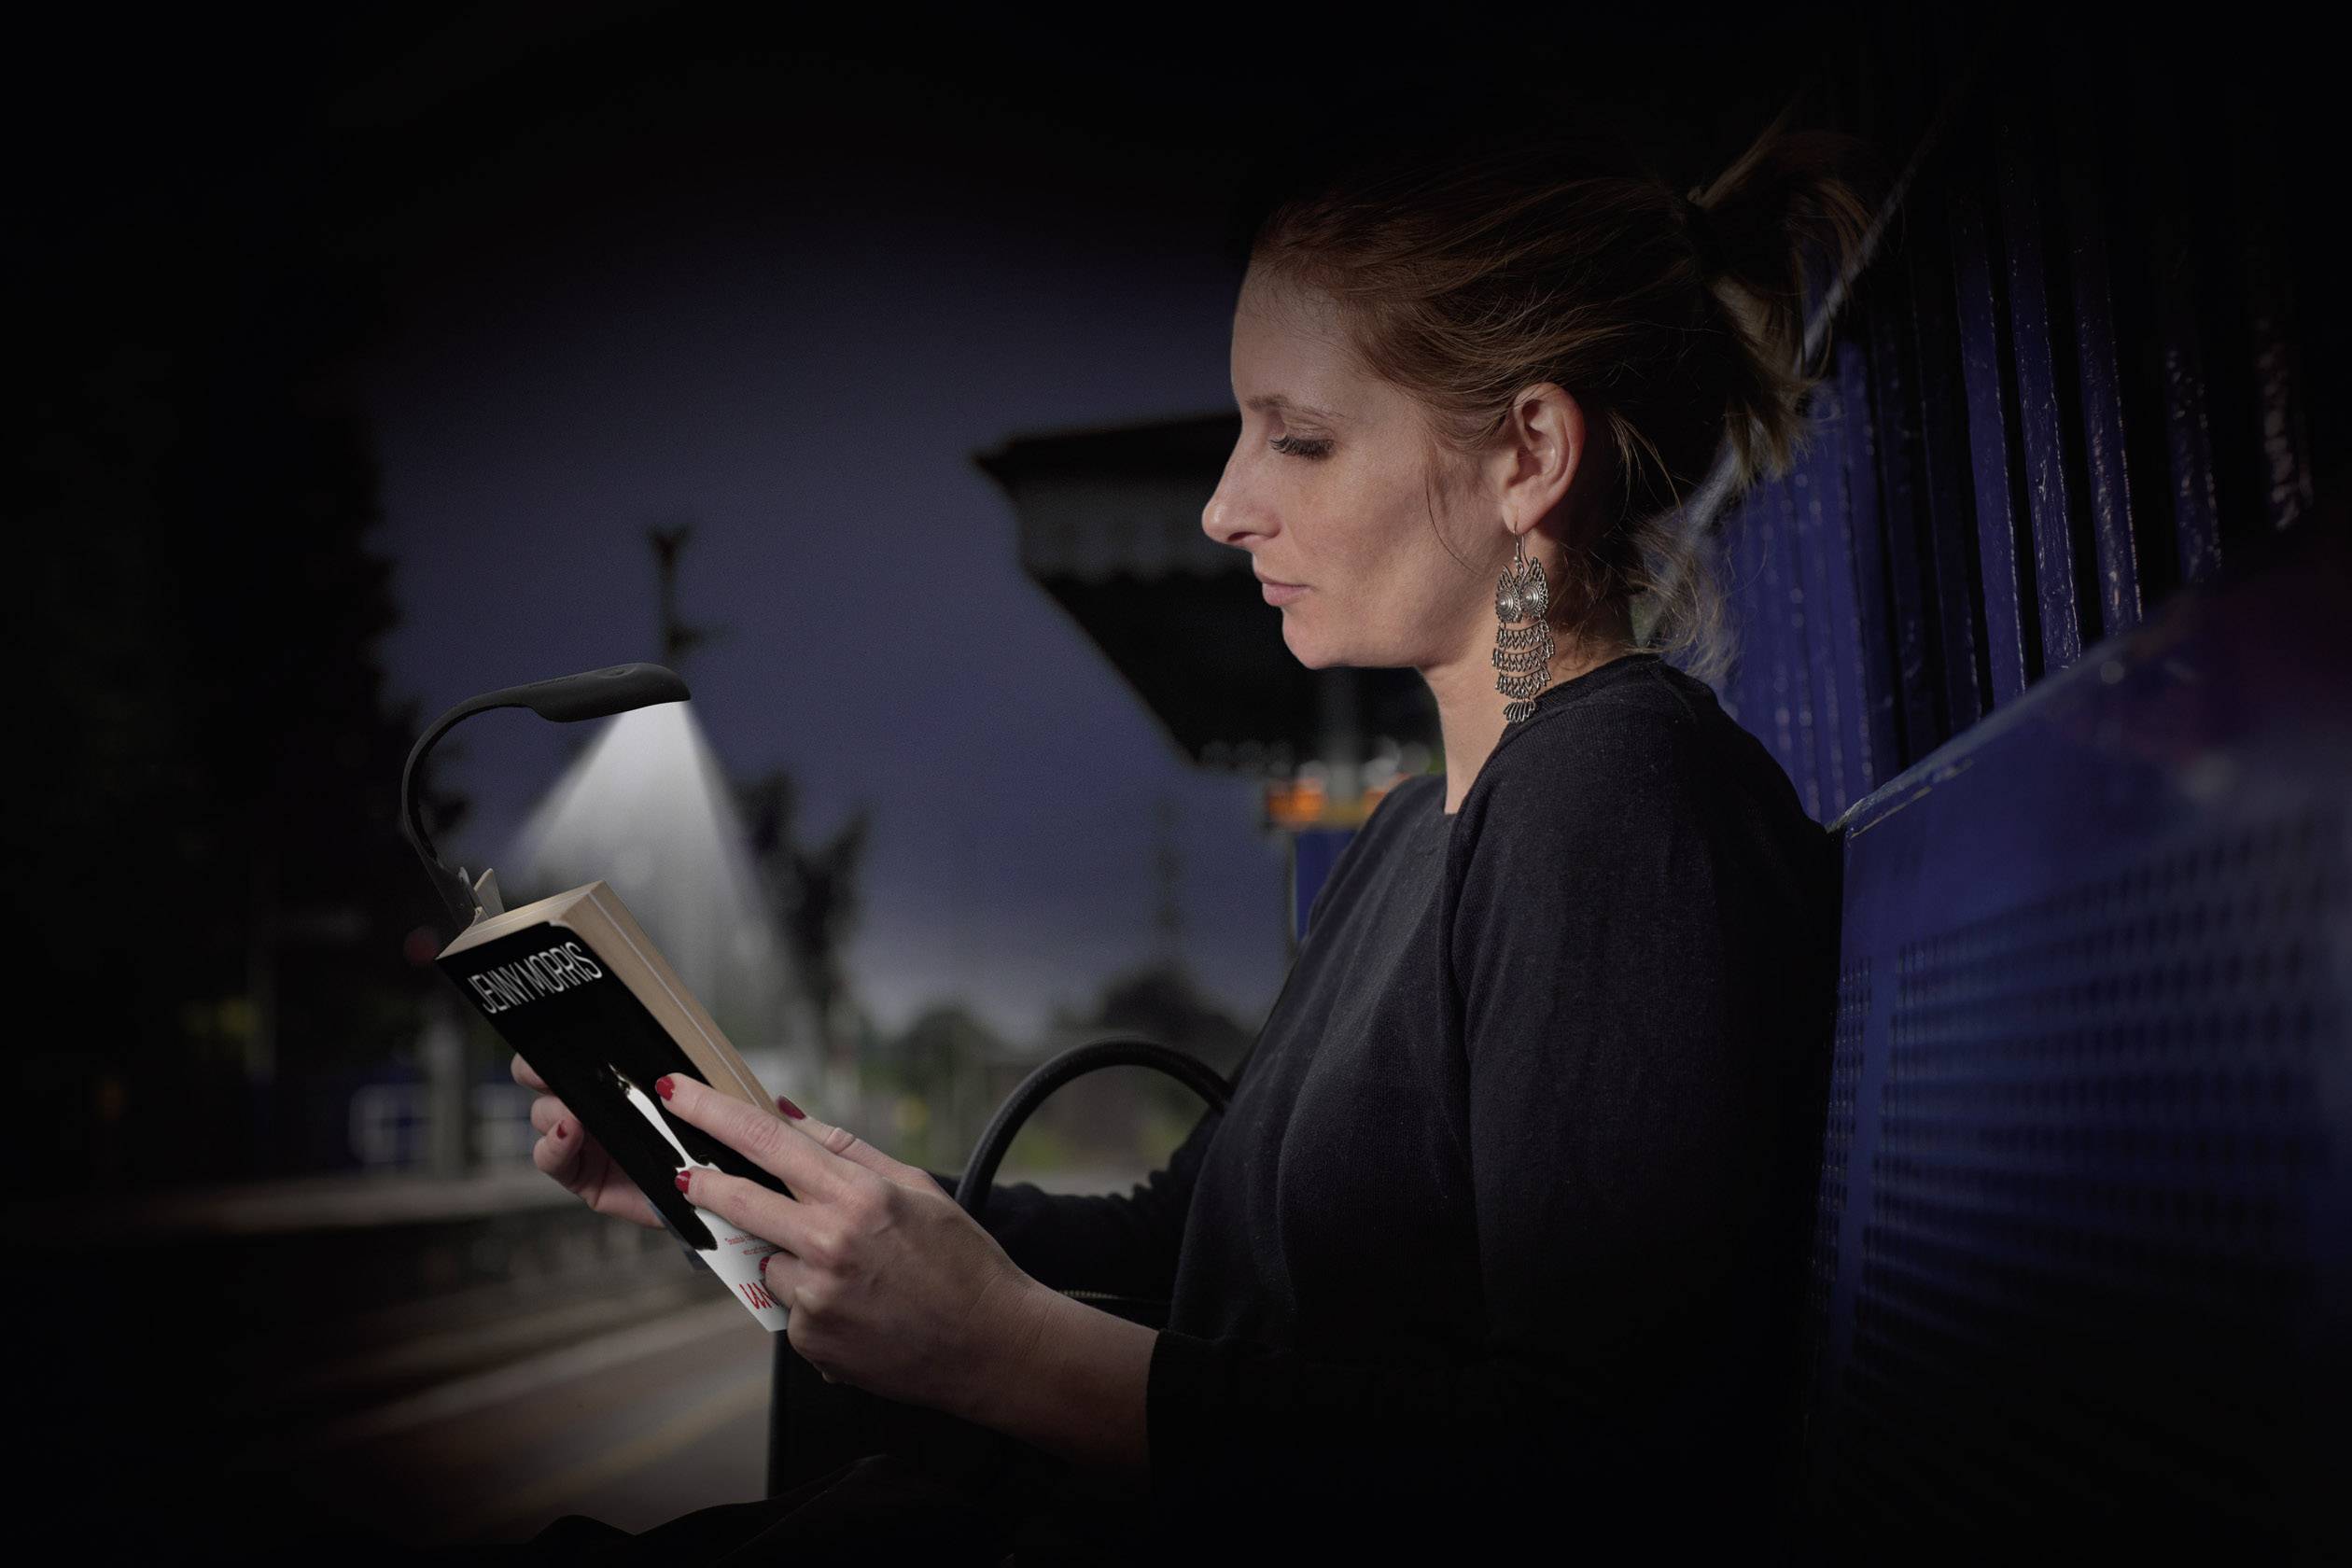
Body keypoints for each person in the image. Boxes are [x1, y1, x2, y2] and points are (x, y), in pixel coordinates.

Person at [468, 110, 1873, 1565]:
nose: (1225, 506)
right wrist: (751, 1190)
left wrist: (1005, 1350)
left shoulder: (1616, 808)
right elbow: (1175, 1241)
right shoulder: (1420, 829)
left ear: (1528, 454)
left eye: (1300, 439)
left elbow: (1595, 1471)